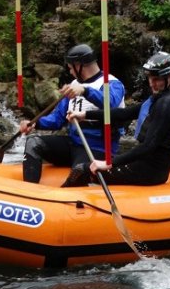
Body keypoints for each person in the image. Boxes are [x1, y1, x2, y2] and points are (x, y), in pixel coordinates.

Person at [66, 51, 170, 186]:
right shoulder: (161, 97)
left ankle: (62, 200)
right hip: (144, 164)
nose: (152, 84)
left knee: (82, 170)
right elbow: (125, 113)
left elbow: (148, 146)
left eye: (156, 79)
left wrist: (110, 163)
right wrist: (85, 115)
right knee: (87, 167)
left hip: (149, 172)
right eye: (150, 78)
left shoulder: (169, 103)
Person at [20, 43, 125, 185]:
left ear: (79, 65)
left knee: (79, 171)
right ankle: (28, 190)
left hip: (97, 149)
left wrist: (85, 91)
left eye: (70, 68)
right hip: (73, 144)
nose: (70, 72)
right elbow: (57, 119)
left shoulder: (112, 84)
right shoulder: (73, 85)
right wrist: (35, 123)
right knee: (34, 143)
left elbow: (110, 102)